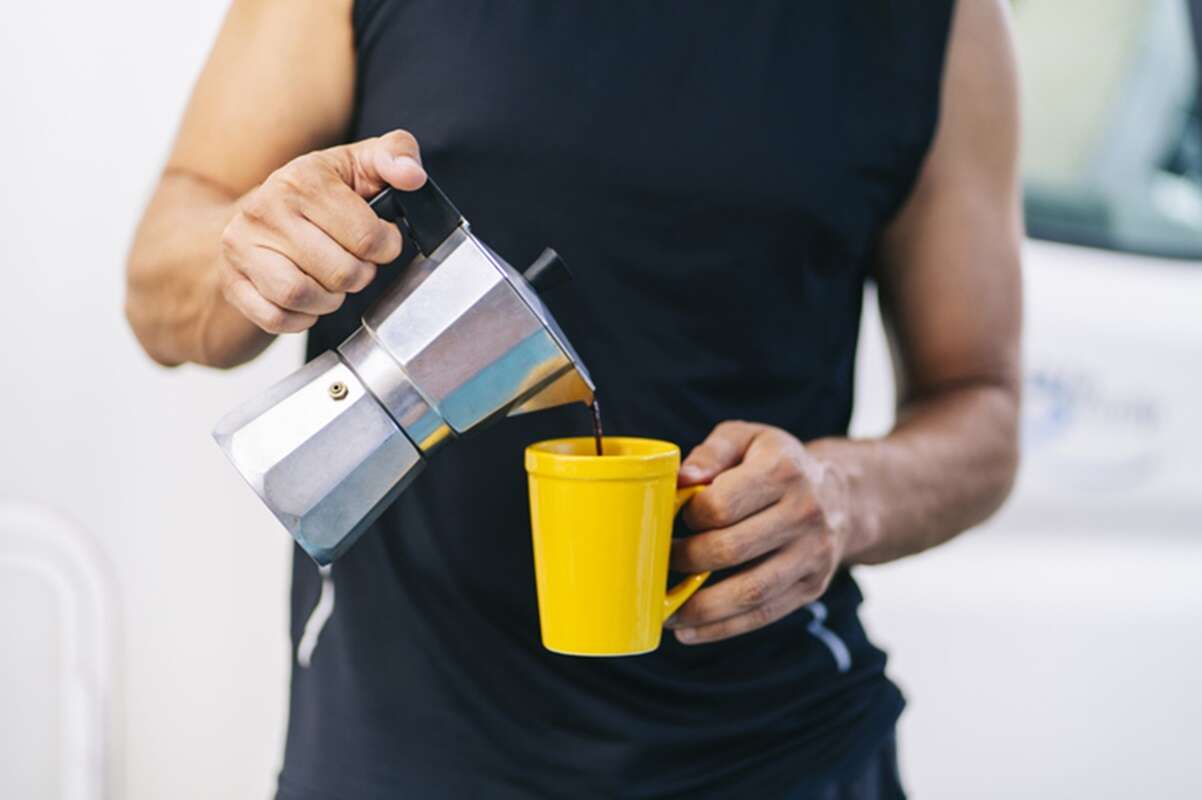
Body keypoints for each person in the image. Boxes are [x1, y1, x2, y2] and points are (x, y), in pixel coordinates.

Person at [125, 1, 1021, 797]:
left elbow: (981, 404)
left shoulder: (946, 21)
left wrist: (846, 494)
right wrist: (249, 253)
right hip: (402, 743)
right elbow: (161, 277)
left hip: (777, 750)